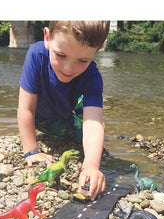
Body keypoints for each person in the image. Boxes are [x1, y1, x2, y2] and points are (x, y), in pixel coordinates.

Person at [17, 21, 110, 201]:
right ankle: (75, 117)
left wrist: (90, 165)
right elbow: (26, 108)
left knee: (95, 128)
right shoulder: (36, 55)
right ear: (47, 38)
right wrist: (31, 150)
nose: (68, 69)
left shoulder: (92, 75)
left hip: (71, 103)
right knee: (75, 132)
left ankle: (81, 112)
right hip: (45, 117)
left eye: (83, 60)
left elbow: (92, 123)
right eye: (60, 55)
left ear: (99, 49)